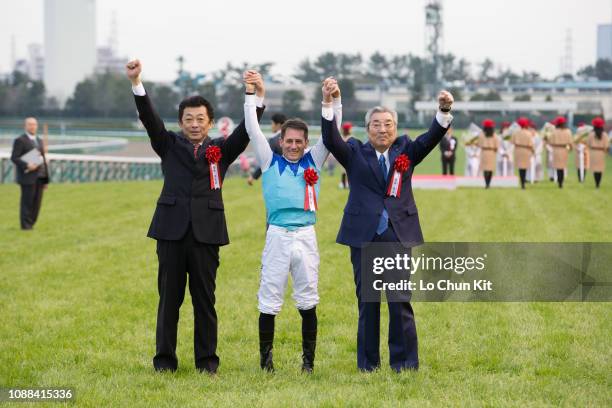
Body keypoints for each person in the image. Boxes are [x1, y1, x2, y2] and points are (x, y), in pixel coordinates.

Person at [125, 59, 265, 374]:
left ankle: (207, 363)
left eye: (200, 119)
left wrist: (256, 96)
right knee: (168, 301)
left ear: (210, 122)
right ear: (181, 122)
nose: (194, 124)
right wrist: (137, 83)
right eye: (188, 119)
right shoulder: (168, 144)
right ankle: (164, 361)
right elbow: (149, 119)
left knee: (205, 302)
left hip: (206, 235)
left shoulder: (221, 150)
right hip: (171, 233)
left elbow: (247, 131)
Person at [322, 90, 454, 372]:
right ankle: (368, 364)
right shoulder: (355, 152)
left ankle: (404, 363)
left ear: (395, 128)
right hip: (363, 236)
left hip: (397, 234)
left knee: (399, 301)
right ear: (367, 128)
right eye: (376, 124)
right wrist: (328, 104)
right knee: (367, 304)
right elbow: (331, 139)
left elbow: (431, 137)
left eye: (388, 124)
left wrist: (443, 110)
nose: (383, 129)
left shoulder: (407, 150)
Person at [245, 75, 341, 373]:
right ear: (281, 141)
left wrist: (335, 99)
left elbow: (333, 132)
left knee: (308, 298)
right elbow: (252, 128)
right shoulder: (269, 160)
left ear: (306, 142)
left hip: (306, 235)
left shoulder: (314, 159)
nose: (294, 146)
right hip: (276, 235)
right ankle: (266, 361)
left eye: (300, 141)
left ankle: (308, 363)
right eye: (289, 141)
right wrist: (252, 95)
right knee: (269, 298)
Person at [10, 117, 50, 230]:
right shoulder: (20, 140)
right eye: (30, 124)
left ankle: (31, 223)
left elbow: (42, 159)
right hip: (27, 176)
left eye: (34, 124)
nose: (32, 126)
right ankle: (26, 225)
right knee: (27, 202)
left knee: (37, 203)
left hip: (40, 176)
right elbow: (14, 158)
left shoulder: (39, 140)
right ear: (25, 126)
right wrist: (27, 165)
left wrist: (46, 179)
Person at [247, 113, 285, 185]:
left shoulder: (274, 140)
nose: (271, 126)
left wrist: (254, 176)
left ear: (278, 125)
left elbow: (266, 160)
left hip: (278, 177)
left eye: (272, 123)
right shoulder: (293, 138)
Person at [548, 116, 573, 188]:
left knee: (558, 167)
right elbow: (570, 142)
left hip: (556, 149)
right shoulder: (568, 131)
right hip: (564, 149)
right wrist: (570, 149)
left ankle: (559, 181)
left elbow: (550, 142)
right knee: (562, 166)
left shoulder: (554, 132)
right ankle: (561, 181)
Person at [511, 117, 535, 189]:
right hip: (526, 151)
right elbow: (531, 144)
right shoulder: (529, 133)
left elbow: (512, 141)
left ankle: (522, 182)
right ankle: (523, 182)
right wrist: (533, 151)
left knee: (520, 168)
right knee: (525, 167)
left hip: (518, 150)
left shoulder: (516, 133)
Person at [588, 117, 609, 188]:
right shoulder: (605, 135)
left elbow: (589, 144)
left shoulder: (591, 134)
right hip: (601, 152)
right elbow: (606, 145)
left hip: (593, 152)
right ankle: (598, 183)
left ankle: (596, 182)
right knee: (600, 168)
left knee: (595, 168)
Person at [478, 119, 499, 189]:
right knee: (490, 169)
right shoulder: (494, 135)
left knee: (485, 169)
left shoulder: (481, 135)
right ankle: (488, 183)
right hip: (492, 152)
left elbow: (479, 144)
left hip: (484, 152)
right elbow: (497, 146)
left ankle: (486, 183)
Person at [339, 122, 353, 188]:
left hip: (342, 155)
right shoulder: (350, 137)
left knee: (344, 171)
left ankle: (344, 183)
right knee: (347, 171)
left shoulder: (341, 137)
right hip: (347, 156)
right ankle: (345, 183)